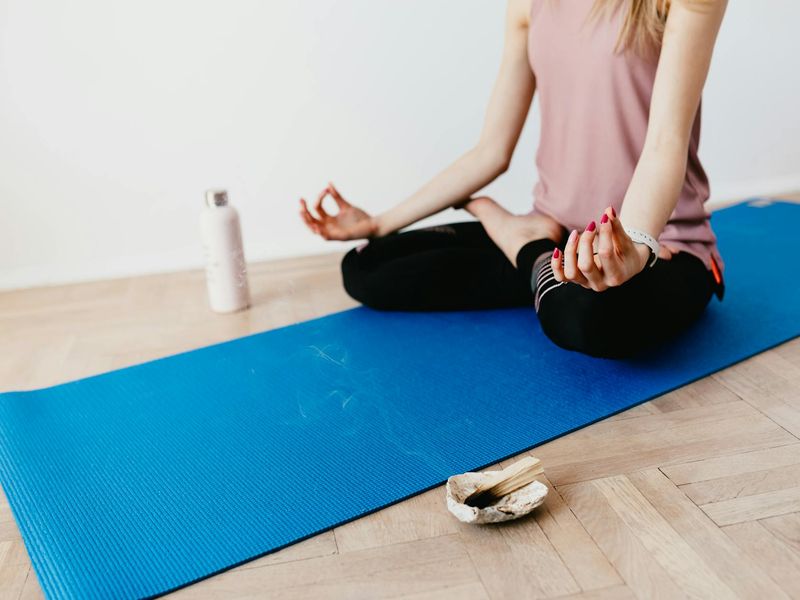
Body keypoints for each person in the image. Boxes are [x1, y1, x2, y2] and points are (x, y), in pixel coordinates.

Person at [299, 0, 728, 359]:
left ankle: (526, 248)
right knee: (366, 267)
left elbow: (665, 143)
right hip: (559, 230)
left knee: (589, 319)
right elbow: (491, 151)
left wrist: (636, 245)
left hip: (661, 243)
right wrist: (378, 222)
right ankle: (540, 258)